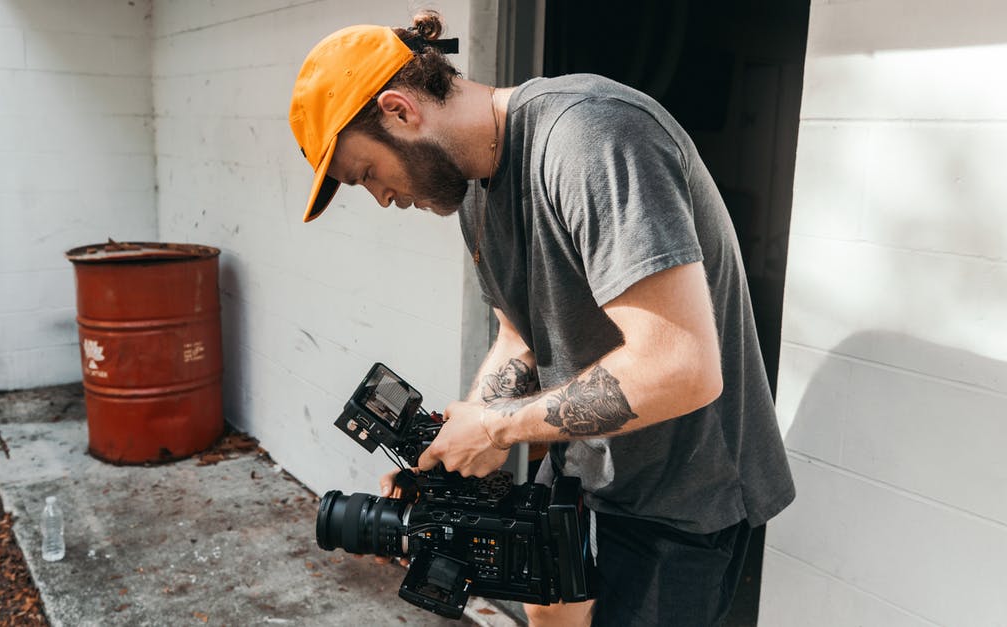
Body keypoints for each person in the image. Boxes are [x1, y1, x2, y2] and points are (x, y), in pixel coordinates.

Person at [289, 11, 795, 627]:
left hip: (683, 494)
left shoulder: (593, 136)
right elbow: (518, 337)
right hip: (585, 474)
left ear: (400, 111)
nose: (382, 198)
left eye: (366, 173)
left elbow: (682, 367)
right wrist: (458, 453)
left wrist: (498, 428)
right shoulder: (474, 195)